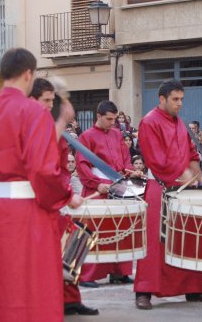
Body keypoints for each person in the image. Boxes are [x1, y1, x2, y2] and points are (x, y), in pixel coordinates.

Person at [0, 48, 82, 321]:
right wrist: (65, 195)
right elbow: (42, 171)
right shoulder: (34, 113)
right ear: (29, 74)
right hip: (27, 213)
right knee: (28, 286)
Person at [135, 79, 202, 310]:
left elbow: (192, 153)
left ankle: (194, 289)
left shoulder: (179, 123)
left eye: (182, 99)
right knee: (155, 241)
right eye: (175, 99)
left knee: (188, 238)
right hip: (160, 187)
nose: (179, 104)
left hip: (184, 187)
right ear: (162, 99)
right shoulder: (149, 121)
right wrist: (183, 174)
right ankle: (144, 290)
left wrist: (200, 174)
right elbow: (155, 159)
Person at [29, 77, 99, 316]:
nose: (49, 105)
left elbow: (58, 167)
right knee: (53, 254)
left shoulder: (47, 125)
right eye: (45, 100)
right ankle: (51, 302)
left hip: (54, 195)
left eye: (52, 100)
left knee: (71, 245)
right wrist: (68, 195)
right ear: (31, 100)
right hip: (39, 200)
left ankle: (69, 300)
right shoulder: (32, 125)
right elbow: (43, 166)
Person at [75, 100, 137, 288]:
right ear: (98, 116)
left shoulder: (118, 134)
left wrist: (130, 171)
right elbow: (82, 165)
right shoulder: (86, 136)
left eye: (114, 119)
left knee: (121, 230)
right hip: (97, 188)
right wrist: (96, 183)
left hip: (118, 186)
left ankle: (120, 272)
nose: (112, 123)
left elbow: (125, 158)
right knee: (94, 232)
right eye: (109, 119)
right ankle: (87, 275)